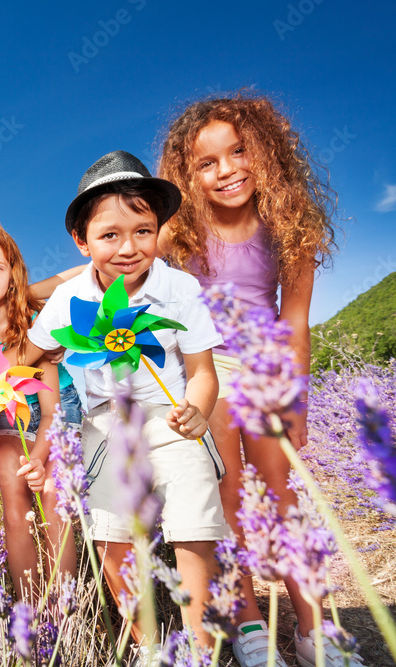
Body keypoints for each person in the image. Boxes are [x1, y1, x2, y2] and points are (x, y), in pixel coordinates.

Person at [158, 96, 356, 667]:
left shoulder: (291, 226)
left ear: (266, 152)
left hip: (268, 365)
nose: (227, 170)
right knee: (227, 492)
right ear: (188, 176)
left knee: (283, 493)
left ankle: (316, 629)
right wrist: (23, 290)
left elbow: (294, 320)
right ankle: (248, 624)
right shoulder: (180, 231)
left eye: (239, 151)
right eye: (208, 162)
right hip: (207, 366)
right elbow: (110, 260)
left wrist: (296, 392)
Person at [23, 151, 229, 652]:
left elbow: (203, 373)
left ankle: (199, 645)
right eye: (109, 235)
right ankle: (148, 645)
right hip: (104, 423)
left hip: (171, 416)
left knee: (192, 519)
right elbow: (27, 360)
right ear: (82, 241)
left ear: (159, 229)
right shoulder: (69, 299)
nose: (128, 247)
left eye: (142, 230)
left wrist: (198, 409)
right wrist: (39, 376)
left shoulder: (180, 288)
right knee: (111, 534)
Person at [0, 220, 81, 598]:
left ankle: (63, 608)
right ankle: (30, 607)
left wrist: (40, 457)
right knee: (14, 505)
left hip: (56, 411)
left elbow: (51, 410)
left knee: (54, 502)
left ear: (13, 275)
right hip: (8, 413)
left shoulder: (32, 323)